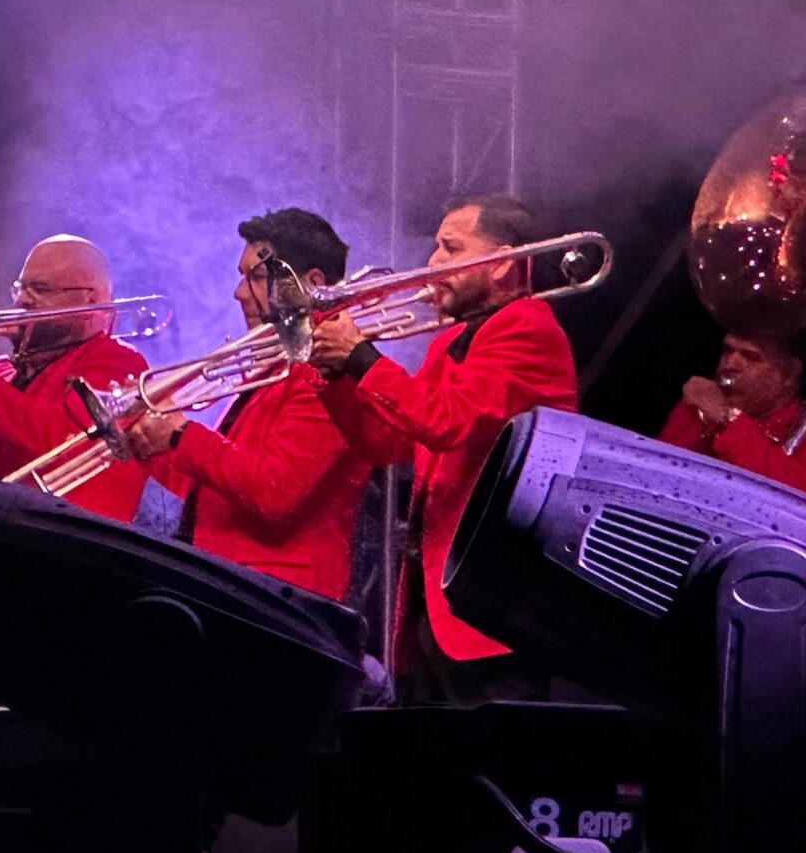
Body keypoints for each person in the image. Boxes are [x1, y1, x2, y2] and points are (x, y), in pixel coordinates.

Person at [309, 193, 578, 704]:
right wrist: (337, 375)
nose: (432, 263)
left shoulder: (527, 327)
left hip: (493, 613)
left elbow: (446, 420)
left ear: (502, 263)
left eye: (451, 248)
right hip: (438, 610)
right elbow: (388, 442)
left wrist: (362, 358)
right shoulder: (448, 344)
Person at [114, 207, 373, 599]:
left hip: (281, 596)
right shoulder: (276, 365)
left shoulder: (327, 373)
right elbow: (216, 491)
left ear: (313, 283)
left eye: (256, 277)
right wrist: (150, 438)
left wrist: (182, 434)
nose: (239, 293)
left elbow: (274, 492)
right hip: (233, 582)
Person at [0, 234, 153, 521]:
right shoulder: (3, 374)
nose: (22, 299)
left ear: (91, 300)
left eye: (40, 289)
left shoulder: (120, 362)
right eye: (20, 288)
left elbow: (65, 440)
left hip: (56, 537)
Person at [658, 331, 806, 507]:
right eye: (728, 350)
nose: (729, 364)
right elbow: (661, 476)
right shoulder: (698, 407)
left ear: (790, 374)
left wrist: (727, 417)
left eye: (751, 356)